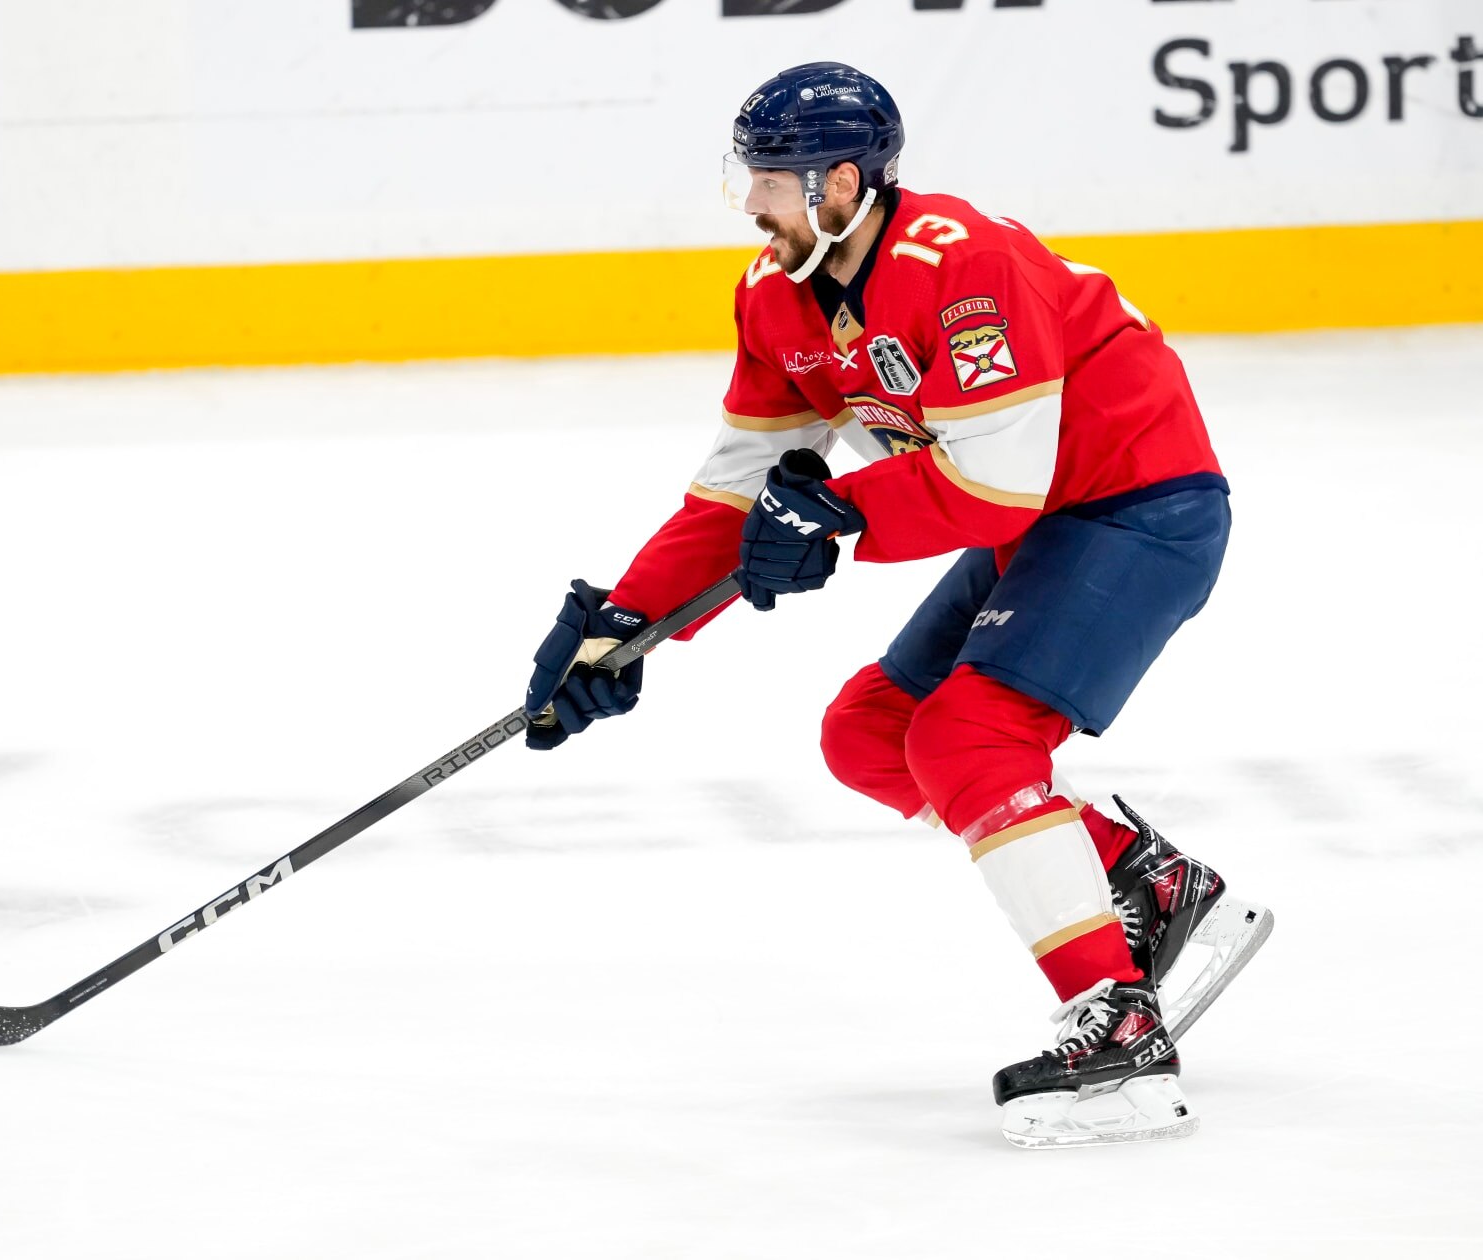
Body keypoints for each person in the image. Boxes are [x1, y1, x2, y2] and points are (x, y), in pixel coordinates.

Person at [523, 61, 1273, 1148]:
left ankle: (1121, 1031)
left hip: (1139, 509)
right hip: (1043, 526)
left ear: (837, 183)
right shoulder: (774, 296)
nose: (750, 204)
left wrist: (836, 517)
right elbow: (731, 497)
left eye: (770, 182)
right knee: (874, 733)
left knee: (972, 739)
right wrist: (623, 628)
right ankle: (1145, 888)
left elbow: (996, 482)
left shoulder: (964, 265)